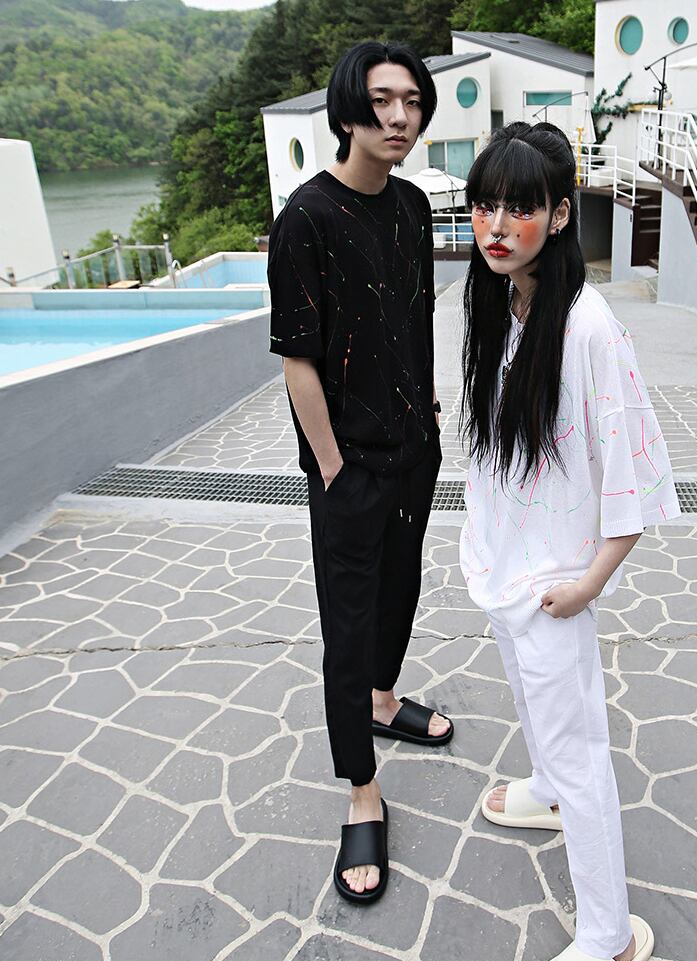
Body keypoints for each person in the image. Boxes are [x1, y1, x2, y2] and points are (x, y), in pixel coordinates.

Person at [458, 122, 681, 961]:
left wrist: (588, 584)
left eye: (519, 207)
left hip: (554, 583)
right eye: (484, 204)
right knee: (536, 718)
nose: (495, 224)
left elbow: (637, 473)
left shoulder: (589, 328)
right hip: (507, 570)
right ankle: (543, 792)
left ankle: (609, 935)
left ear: (559, 214)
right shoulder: (504, 302)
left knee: (582, 756)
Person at [267, 40, 453, 906]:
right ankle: (361, 790)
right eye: (383, 100)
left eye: (413, 101)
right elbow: (297, 361)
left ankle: (384, 700)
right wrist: (334, 469)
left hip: (416, 453)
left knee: (402, 590)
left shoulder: (412, 206)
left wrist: (431, 415)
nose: (400, 117)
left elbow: (415, 322)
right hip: (350, 469)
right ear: (348, 109)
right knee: (347, 626)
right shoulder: (305, 218)